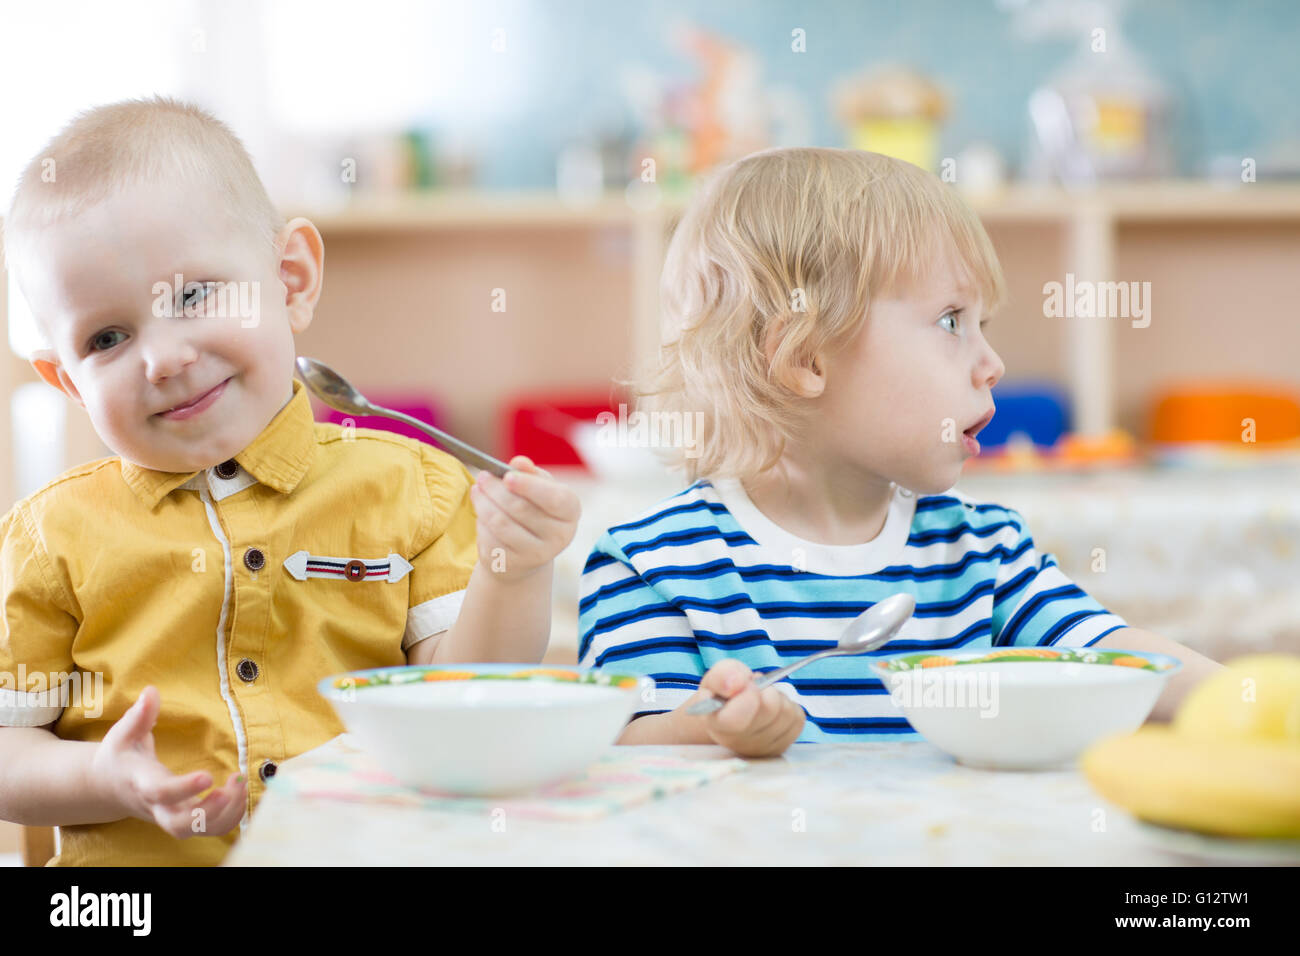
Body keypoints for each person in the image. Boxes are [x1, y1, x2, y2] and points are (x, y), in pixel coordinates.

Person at [0, 96, 580, 865]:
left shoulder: (420, 491)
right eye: (107, 338)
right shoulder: (49, 537)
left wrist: (516, 571)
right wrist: (103, 777)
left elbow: (463, 704)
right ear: (68, 381)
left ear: (291, 278)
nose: (163, 358)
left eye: (192, 296)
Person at [578, 147, 1221, 757]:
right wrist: (719, 731)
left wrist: (1251, 700)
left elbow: (1114, 656)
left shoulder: (982, 553)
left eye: (982, 325)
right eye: (950, 321)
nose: (992, 363)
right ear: (804, 357)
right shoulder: (649, 563)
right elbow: (621, 745)